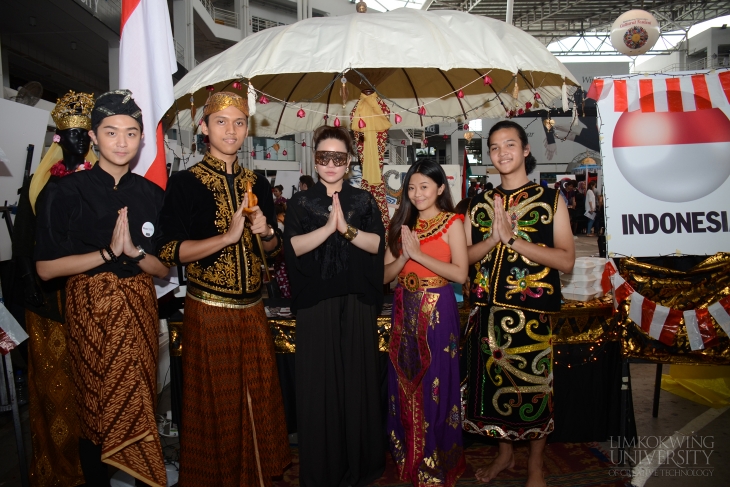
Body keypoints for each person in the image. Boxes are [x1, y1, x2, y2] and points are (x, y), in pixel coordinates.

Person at [34, 89, 169, 487]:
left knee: (139, 399)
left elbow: (162, 268)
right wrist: (109, 255)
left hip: (139, 308)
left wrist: (134, 252)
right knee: (94, 404)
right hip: (90, 310)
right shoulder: (63, 192)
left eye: (131, 133)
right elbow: (45, 269)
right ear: (93, 136)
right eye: (111, 132)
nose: (122, 142)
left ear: (142, 139)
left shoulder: (153, 195)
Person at [155, 91, 289, 486]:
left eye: (239, 122)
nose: (231, 130)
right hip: (210, 308)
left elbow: (274, 252)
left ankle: (258, 476)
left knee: (259, 398)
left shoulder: (257, 183)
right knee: (218, 405)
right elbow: (167, 249)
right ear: (204, 128)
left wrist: (266, 233)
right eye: (221, 122)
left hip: (253, 309)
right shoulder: (184, 183)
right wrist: (226, 238)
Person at [463, 120, 574, 487]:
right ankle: (505, 455)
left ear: (526, 150)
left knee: (535, 392)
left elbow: (566, 260)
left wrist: (512, 240)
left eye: (510, 144)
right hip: (488, 315)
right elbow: (464, 258)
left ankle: (536, 465)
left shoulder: (550, 199)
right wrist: (494, 239)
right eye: (494, 147)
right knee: (494, 392)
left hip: (531, 318)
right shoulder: (478, 202)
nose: (502, 153)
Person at [284, 125, 385, 487]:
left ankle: (361, 464)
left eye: (337, 158)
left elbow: (378, 247)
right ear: (316, 158)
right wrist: (328, 228)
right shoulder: (300, 202)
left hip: (356, 303)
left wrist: (348, 230)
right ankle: (324, 468)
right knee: (319, 389)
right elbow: (293, 247)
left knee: (358, 385)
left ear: (348, 162)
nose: (330, 164)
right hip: (316, 306)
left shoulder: (364, 200)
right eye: (324, 157)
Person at [13, 90, 96, 487]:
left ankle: (94, 467)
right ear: (60, 140)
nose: (80, 143)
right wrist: (29, 283)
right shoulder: (40, 184)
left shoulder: (102, 179)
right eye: (72, 136)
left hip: (93, 301)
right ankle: (59, 469)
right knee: (54, 390)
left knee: (92, 388)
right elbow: (23, 242)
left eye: (86, 135)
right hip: (49, 305)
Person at [383, 159, 468, 486]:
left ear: (440, 189)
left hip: (438, 312)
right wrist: (404, 256)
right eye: (412, 187)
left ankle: (436, 459)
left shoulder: (452, 223)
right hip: (404, 308)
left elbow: (460, 273)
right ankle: (409, 456)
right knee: (404, 382)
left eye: (425, 187)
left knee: (436, 383)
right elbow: (386, 276)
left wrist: (419, 255)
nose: (417, 194)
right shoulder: (400, 223)